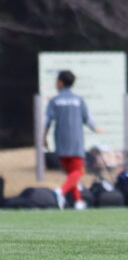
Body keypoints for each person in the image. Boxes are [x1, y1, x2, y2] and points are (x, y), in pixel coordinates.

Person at [43, 70, 102, 210]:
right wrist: (96, 128)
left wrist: (43, 137)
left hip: (61, 142)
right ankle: (61, 191)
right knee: (79, 172)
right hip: (76, 142)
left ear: (60, 82)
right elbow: (87, 119)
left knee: (71, 173)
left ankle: (78, 201)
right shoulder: (78, 100)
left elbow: (47, 121)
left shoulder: (55, 100)